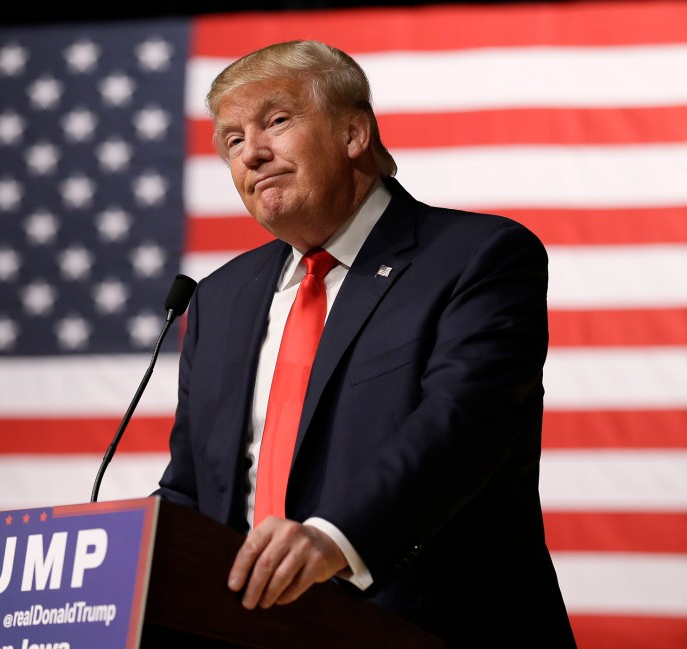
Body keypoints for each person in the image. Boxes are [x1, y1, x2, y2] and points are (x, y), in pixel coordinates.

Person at [155, 40, 576, 647]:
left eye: (276, 121)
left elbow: (462, 424)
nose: (253, 153)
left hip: (428, 627)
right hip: (242, 632)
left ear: (354, 133)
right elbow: (195, 487)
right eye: (232, 140)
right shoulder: (219, 298)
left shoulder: (474, 257)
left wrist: (333, 538)